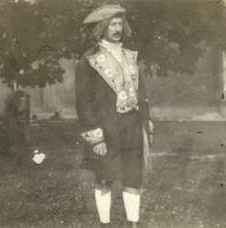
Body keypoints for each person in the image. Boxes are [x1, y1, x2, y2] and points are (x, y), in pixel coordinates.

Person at [75, 4, 154, 228]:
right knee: (104, 177)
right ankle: (105, 224)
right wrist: (95, 137)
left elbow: (142, 93)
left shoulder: (131, 56)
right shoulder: (89, 60)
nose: (117, 28)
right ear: (102, 28)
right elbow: (83, 102)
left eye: (120, 23)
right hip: (106, 127)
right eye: (112, 24)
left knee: (133, 177)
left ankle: (133, 224)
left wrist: (146, 124)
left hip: (132, 125)